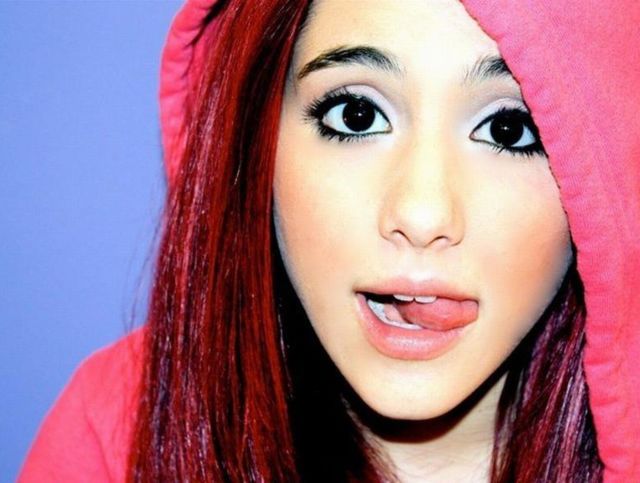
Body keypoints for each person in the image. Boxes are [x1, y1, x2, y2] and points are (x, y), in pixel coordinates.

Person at [19, 0, 640, 481]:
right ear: (256, 141)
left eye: (508, 129)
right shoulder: (118, 430)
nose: (422, 213)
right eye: (357, 116)